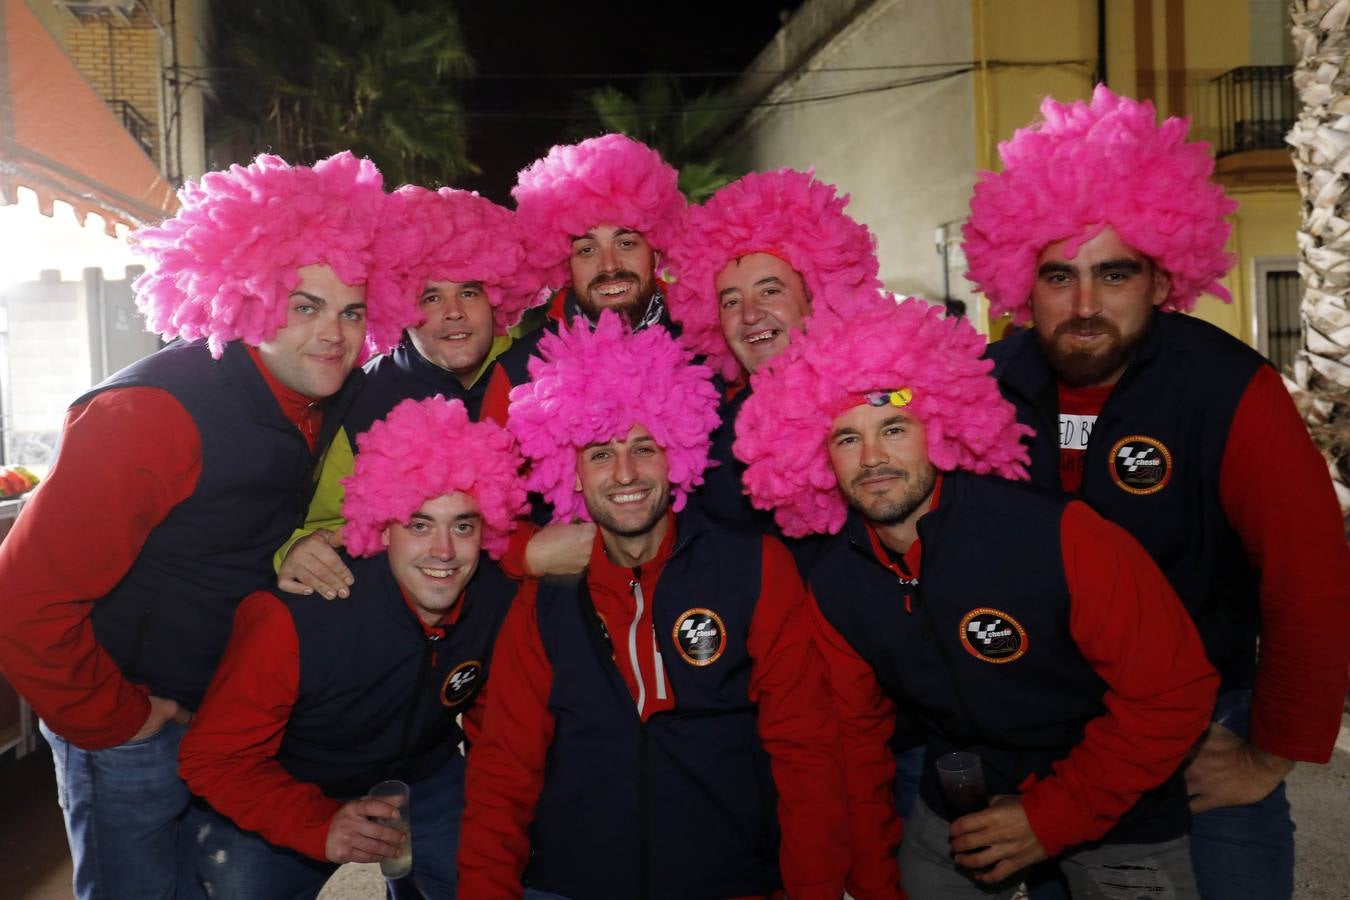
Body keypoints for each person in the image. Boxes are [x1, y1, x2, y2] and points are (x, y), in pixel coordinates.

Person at [963, 85, 1350, 899]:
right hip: (1052, 751)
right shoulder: (985, 388)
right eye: (1058, 274)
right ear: (1019, 283)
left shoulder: (1227, 388)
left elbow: (1309, 578)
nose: (1085, 306)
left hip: (1204, 746)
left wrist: (1266, 755)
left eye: (1115, 273)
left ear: (1162, 273)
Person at [0, 151, 396, 899]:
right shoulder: (149, 414)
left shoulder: (320, 396)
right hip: (131, 723)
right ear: (245, 292)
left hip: (224, 721)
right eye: (304, 305)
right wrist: (119, 718)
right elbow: (22, 603)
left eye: (351, 311)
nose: (334, 335)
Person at [735, 297, 1219, 900]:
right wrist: (877, 885)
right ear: (815, 456)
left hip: (1117, 805)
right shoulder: (838, 587)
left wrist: (1050, 818)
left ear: (939, 429)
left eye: (893, 428)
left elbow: (1174, 694)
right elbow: (854, 754)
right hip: (959, 812)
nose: (874, 460)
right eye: (846, 439)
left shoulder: (1059, 536)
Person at [457, 312, 848, 899]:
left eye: (644, 447)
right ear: (571, 471)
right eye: (598, 453)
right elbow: (502, 771)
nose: (624, 474)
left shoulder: (755, 568)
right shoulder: (542, 601)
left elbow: (806, 751)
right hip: (574, 881)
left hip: (732, 879)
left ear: (678, 451)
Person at [179, 396, 526, 899]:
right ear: (384, 526)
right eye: (419, 524)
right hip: (291, 782)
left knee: (494, 879)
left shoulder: (495, 599)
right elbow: (212, 760)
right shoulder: (296, 615)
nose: (444, 552)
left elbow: (497, 727)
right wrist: (319, 825)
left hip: (424, 777)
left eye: (464, 525)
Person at [275, 183, 545, 601]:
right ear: (398, 304)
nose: (453, 312)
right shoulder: (360, 397)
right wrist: (294, 551)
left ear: (497, 296)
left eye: (469, 292)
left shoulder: (543, 374)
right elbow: (320, 526)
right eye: (431, 296)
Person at [664, 168, 884, 532]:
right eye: (731, 301)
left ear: (816, 299)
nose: (750, 314)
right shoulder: (706, 433)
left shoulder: (874, 396)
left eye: (770, 291)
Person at [511, 132, 685, 335]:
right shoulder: (523, 365)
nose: (609, 265)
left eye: (626, 244)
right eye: (587, 250)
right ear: (565, 265)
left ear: (655, 252)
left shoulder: (707, 357)